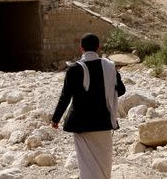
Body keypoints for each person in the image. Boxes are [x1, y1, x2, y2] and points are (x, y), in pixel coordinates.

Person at [51, 33, 126, 179]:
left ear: (81, 48)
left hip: (81, 123)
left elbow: (65, 96)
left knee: (86, 163)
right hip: (103, 121)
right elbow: (121, 90)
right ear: (98, 47)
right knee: (104, 162)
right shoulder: (109, 67)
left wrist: (56, 119)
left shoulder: (74, 69)